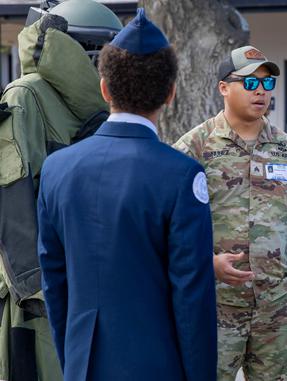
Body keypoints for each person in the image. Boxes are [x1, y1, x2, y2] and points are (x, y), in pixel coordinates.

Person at [37, 9, 217, 381]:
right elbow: (192, 297)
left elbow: (54, 285)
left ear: (104, 88)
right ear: (170, 93)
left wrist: (73, 359)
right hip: (158, 367)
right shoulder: (182, 176)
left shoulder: (56, 169)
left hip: (82, 363)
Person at [173, 45, 287, 381]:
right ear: (224, 87)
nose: (261, 92)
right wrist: (203, 263)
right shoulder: (195, 146)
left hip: (276, 309)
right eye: (251, 83)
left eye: (267, 85)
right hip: (215, 304)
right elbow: (170, 223)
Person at [0, 0, 122, 379]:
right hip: (41, 304)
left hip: (97, 292)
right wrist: (39, 289)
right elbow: (11, 197)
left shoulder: (105, 111)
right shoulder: (26, 97)